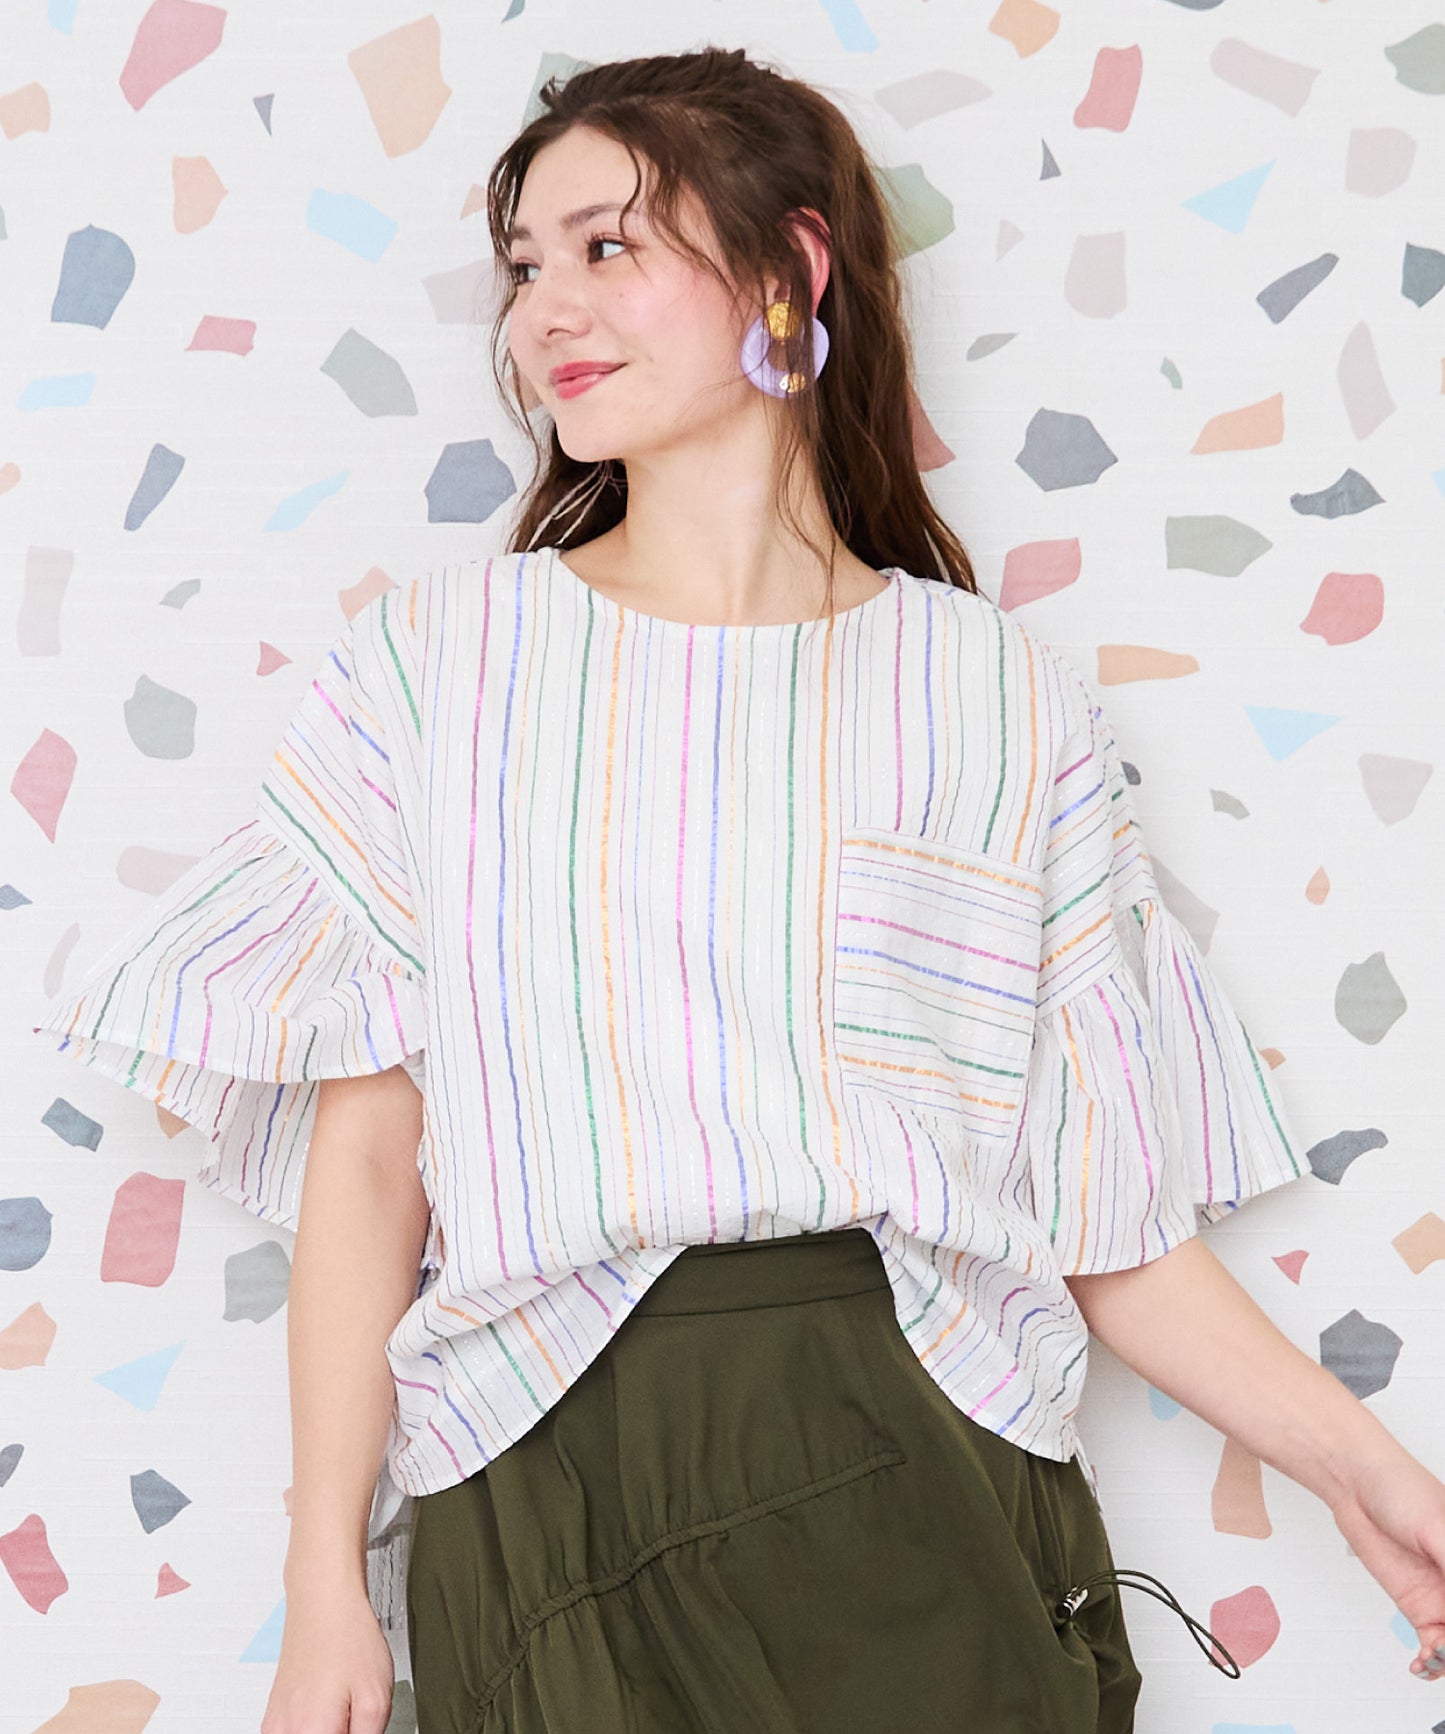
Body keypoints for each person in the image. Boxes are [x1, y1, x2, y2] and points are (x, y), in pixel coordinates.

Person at [30, 45, 1445, 1734]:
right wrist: (323, 1575)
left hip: (918, 1460)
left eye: (607, 246)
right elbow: (373, 1154)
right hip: (555, 1474)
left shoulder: (991, 695)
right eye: (524, 266)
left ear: (788, 270)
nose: (545, 310)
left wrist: (1366, 1472)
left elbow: (1101, 1218)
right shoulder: (443, 666)